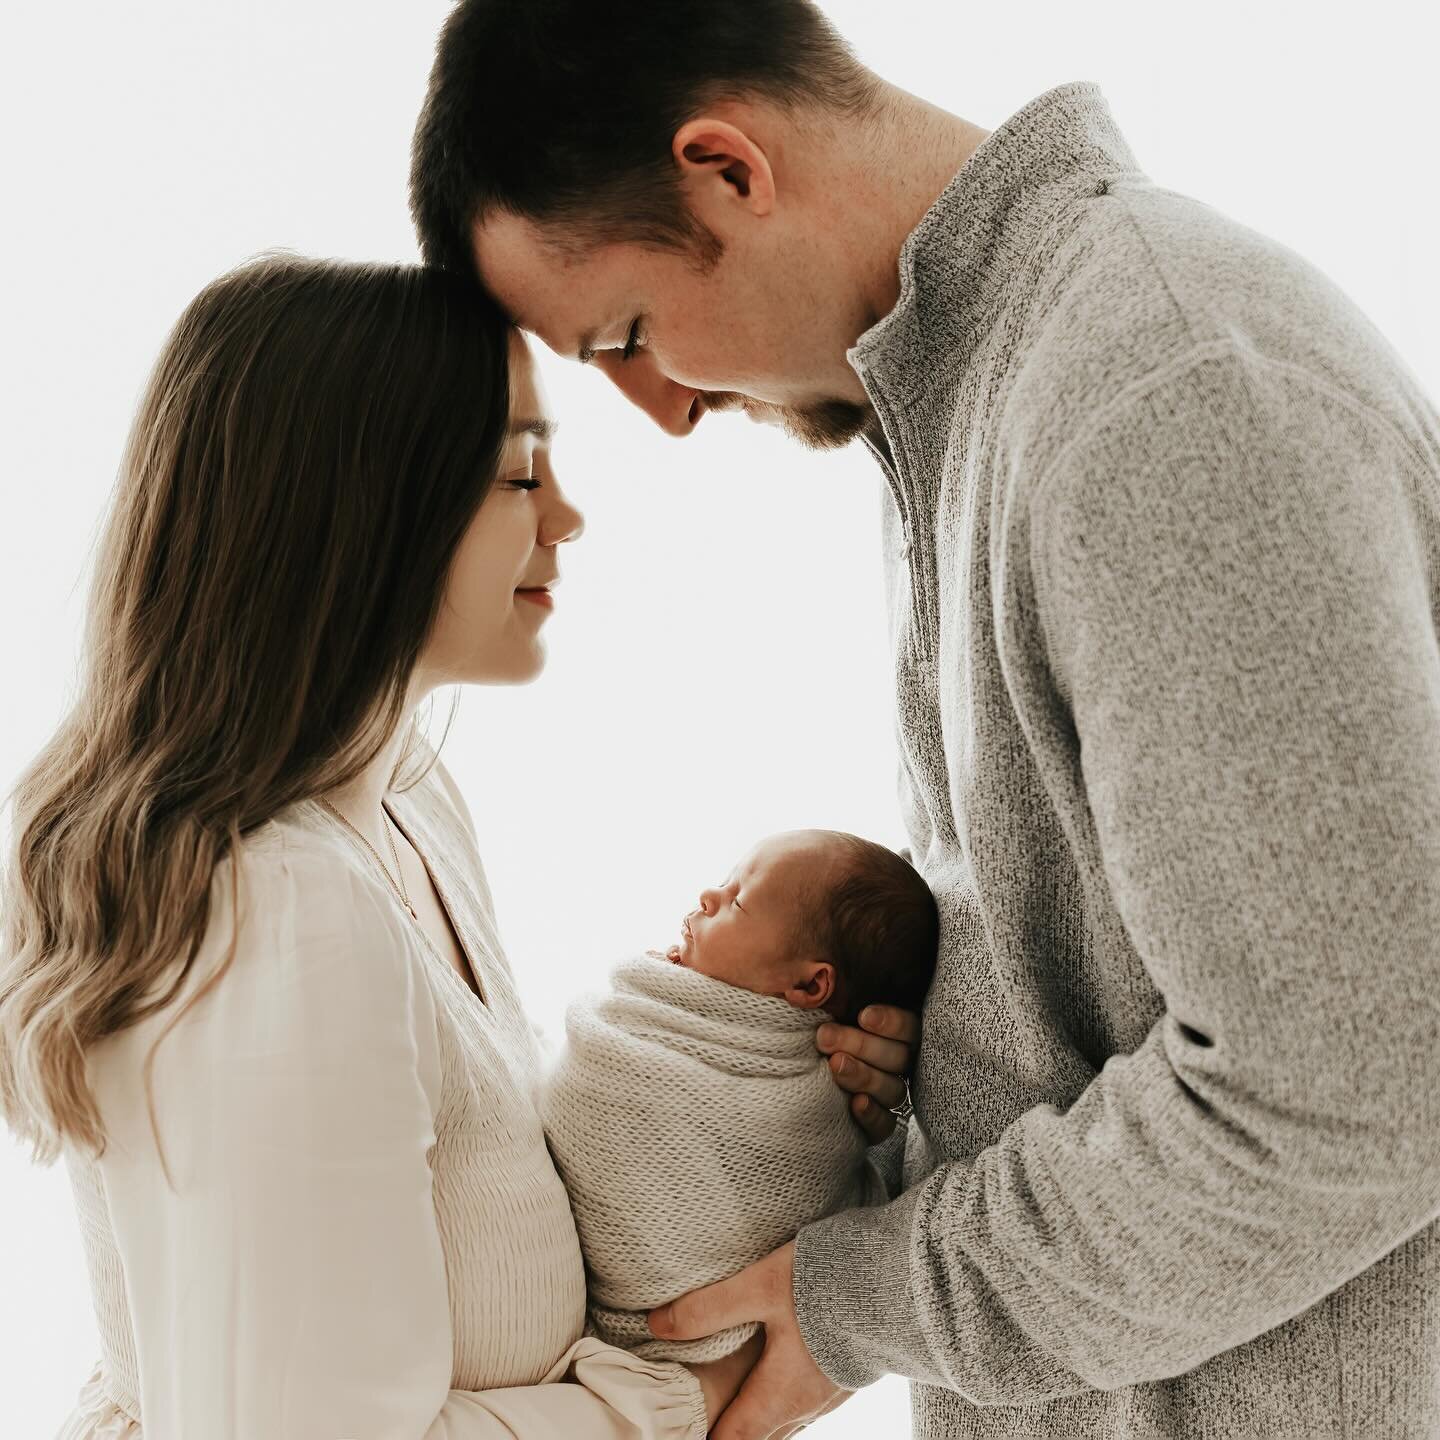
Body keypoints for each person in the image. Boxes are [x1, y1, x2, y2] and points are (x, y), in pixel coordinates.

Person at [407, 2, 1440, 1437]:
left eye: (631, 335)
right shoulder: (976, 409)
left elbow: (1357, 1088)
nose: (667, 415)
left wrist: (873, 1300)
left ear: (727, 169)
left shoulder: (1161, 390)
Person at [0, 253, 916, 1438]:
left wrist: (780, 1103)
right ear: (364, 516)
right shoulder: (276, 908)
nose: (568, 516)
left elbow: (491, 1185)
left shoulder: (408, 797)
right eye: (519, 470)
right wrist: (684, 1397)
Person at [539, 829, 937, 1362]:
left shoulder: (807, 1105)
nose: (707, 895)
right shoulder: (696, 1026)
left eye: (738, 899)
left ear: (809, 987)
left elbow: (606, 1087)